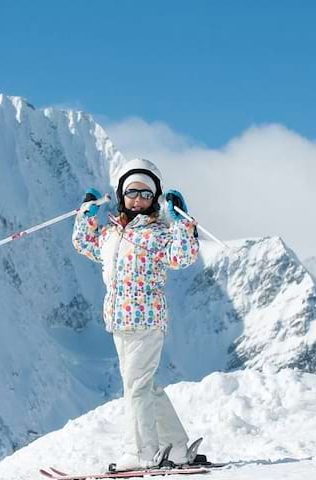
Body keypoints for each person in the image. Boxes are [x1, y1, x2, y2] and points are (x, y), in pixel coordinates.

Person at [72, 157, 200, 470]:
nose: (138, 200)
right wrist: (86, 215)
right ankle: (179, 448)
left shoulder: (159, 234)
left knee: (137, 388)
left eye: (146, 194)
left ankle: (142, 452)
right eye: (132, 192)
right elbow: (84, 244)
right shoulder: (110, 233)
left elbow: (182, 256)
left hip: (146, 318)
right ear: (121, 195)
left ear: (155, 198)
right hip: (119, 319)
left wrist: (182, 222)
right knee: (145, 386)